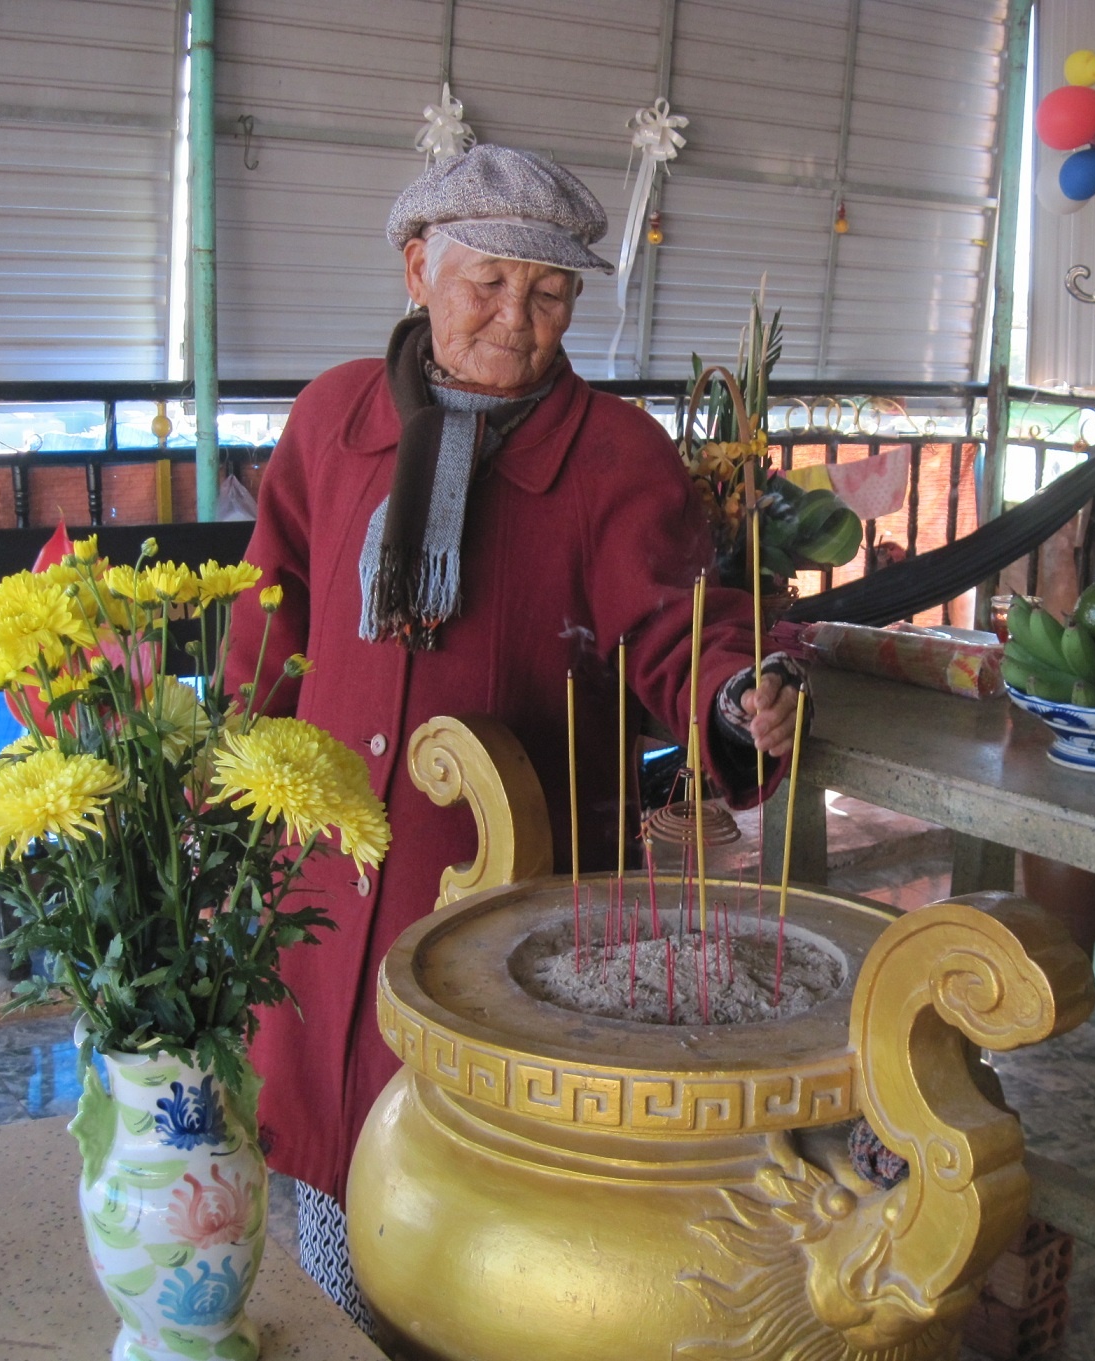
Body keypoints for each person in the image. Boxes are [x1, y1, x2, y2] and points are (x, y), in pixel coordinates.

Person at [227, 144, 801, 1326]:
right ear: (416, 270)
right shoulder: (333, 416)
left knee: (465, 1201)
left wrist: (738, 691)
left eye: (547, 294)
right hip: (325, 876)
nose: (515, 317)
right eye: (487, 282)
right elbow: (267, 614)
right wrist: (220, 789)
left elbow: (672, 623)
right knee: (311, 1157)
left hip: (505, 896)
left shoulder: (614, 454)